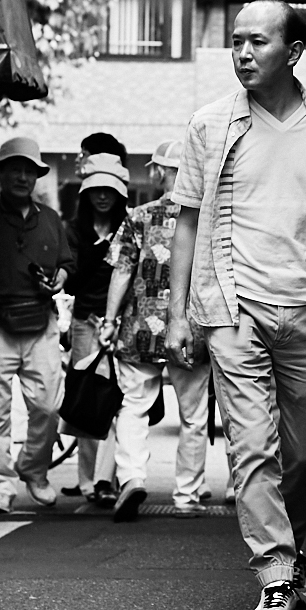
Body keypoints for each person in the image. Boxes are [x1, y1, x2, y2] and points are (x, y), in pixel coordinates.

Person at [164, 0, 306, 610]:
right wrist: (178, 314)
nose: (243, 53)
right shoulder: (209, 125)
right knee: (252, 445)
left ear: (294, 52)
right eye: (236, 41)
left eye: (258, 41)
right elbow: (189, 220)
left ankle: (295, 550)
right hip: (234, 305)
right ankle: (275, 571)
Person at [102, 139, 214, 517]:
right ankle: (187, 494)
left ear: (159, 172)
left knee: (133, 406)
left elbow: (121, 271)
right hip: (191, 327)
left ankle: (132, 477)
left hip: (140, 328)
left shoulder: (139, 216)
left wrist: (109, 320)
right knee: (194, 415)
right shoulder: (207, 218)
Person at [0, 135, 74, 514]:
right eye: (15, 169)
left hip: (41, 320)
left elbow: (67, 264)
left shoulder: (51, 219)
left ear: (36, 177)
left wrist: (60, 275)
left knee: (47, 405)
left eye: (29, 171)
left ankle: (34, 470)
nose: (22, 177)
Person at [62, 150, 131, 509]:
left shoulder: (132, 225)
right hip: (86, 322)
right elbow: (70, 277)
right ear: (85, 193)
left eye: (110, 190)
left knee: (122, 404)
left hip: (124, 325)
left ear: (120, 193)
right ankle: (89, 480)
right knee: (89, 398)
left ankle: (108, 478)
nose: (102, 196)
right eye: (95, 189)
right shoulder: (72, 230)